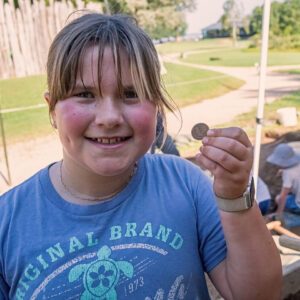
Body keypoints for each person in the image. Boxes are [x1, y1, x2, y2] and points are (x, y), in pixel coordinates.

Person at [0, 12, 281, 299]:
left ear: (156, 107)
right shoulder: (6, 223)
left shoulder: (184, 184)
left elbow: (260, 294)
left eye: (131, 93)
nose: (109, 118)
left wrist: (235, 197)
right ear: (52, 111)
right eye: (84, 94)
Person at [267, 143, 300, 214]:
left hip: (298, 204)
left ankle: (292, 213)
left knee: (278, 198)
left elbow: (283, 195)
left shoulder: (288, 173)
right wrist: (283, 170)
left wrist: (278, 213)